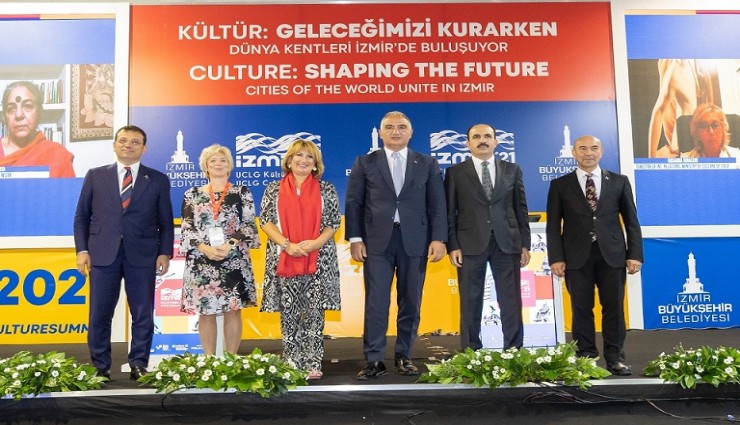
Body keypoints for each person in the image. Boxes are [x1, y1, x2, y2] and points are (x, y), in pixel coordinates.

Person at [345, 111, 447, 380]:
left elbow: (438, 205)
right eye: (389, 127)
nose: (396, 131)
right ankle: (374, 360)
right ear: (380, 133)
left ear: (411, 132)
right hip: (376, 243)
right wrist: (355, 238)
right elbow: (354, 203)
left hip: (416, 241)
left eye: (402, 127)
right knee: (376, 302)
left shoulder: (427, 163)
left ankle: (404, 356)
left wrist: (438, 238)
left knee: (411, 301)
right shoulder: (365, 162)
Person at [74, 125, 174, 380]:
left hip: (143, 255)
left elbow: (165, 221)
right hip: (102, 254)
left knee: (142, 313)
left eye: (135, 142)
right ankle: (100, 366)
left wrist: (164, 253)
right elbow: (82, 217)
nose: (128, 145)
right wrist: (82, 250)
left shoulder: (158, 179)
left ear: (144, 148)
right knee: (100, 313)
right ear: (114, 145)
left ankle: (138, 364)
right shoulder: (95, 175)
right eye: (123, 140)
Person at [545, 135, 643, 376]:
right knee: (581, 309)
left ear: (601, 151)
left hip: (613, 256)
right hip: (576, 257)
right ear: (574, 153)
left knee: (614, 309)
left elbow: (631, 221)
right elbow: (553, 226)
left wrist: (635, 254)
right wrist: (556, 258)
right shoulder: (560, 184)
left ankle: (615, 358)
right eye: (582, 148)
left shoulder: (619, 181)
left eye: (593, 148)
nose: (588, 152)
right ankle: (586, 358)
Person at [444, 123, 531, 351]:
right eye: (476, 137)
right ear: (468, 143)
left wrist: (525, 244)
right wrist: (453, 244)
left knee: (511, 300)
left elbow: (521, 208)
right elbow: (449, 212)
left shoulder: (512, 170)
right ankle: (470, 352)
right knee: (470, 301)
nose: (482, 140)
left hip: (508, 243)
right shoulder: (455, 172)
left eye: (487, 136)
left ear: (495, 141)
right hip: (469, 244)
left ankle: (514, 351)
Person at [260, 139, 340, 380]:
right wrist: (287, 245)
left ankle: (313, 362)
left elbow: (333, 223)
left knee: (314, 312)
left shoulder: (326, 189)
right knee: (289, 310)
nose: (303, 160)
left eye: (309, 157)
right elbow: (265, 221)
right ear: (289, 160)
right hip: (284, 256)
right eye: (299, 155)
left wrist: (315, 243)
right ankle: (291, 361)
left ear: (315, 164)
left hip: (319, 258)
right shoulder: (273, 188)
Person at [180, 144, 260, 355]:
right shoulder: (192, 194)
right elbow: (187, 227)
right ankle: (210, 361)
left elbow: (249, 225)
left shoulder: (241, 192)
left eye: (223, 160)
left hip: (233, 257)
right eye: (213, 160)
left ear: (229, 166)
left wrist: (229, 245)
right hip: (201, 259)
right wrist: (204, 247)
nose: (218, 164)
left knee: (233, 310)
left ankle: (231, 359)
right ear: (205, 166)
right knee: (205, 311)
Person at [0, 80, 75, 177]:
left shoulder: (56, 154)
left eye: (27, 106)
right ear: (4, 117)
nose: (19, 115)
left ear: (40, 113)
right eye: (11, 109)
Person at [648, 59, 714, 158]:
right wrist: (651, 159)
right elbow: (659, 111)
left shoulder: (701, 66)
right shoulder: (676, 70)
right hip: (682, 149)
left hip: (697, 144)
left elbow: (711, 105)